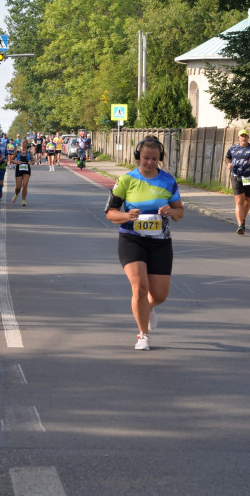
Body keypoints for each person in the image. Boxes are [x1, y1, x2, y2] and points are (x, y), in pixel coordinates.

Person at [105, 137, 184, 351]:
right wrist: (126, 216)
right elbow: (110, 213)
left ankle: (147, 308)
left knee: (159, 295)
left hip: (160, 242)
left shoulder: (168, 181)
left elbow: (180, 213)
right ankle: (143, 336)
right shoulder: (126, 180)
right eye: (145, 158)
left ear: (160, 159)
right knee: (139, 288)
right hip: (132, 239)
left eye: (154, 159)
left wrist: (171, 211)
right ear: (138, 156)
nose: (149, 162)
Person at [225, 129, 250, 234]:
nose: (243, 138)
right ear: (238, 138)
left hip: (249, 177)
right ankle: (240, 225)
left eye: (245, 136)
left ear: (248, 137)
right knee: (239, 201)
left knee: (247, 202)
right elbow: (227, 158)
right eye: (241, 136)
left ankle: (242, 219)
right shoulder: (233, 148)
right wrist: (228, 164)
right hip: (236, 176)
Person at [11, 139, 33, 206]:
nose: (23, 144)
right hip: (19, 169)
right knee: (18, 187)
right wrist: (17, 162)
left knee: (25, 185)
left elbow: (33, 161)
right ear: (20, 143)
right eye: (22, 142)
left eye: (25, 143)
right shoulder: (17, 151)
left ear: (27, 144)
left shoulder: (29, 152)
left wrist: (30, 162)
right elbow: (11, 160)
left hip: (26, 169)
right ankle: (16, 195)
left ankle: (23, 200)